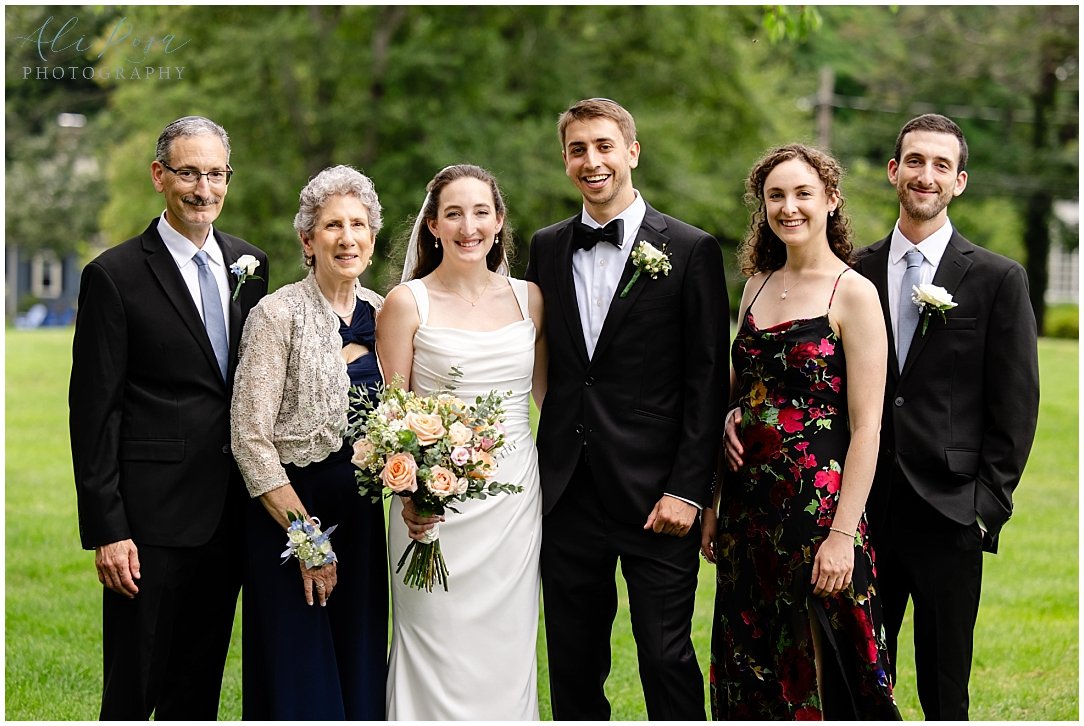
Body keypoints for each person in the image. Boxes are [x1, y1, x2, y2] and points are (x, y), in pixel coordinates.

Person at [524, 97, 729, 720]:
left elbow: (707, 384)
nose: (593, 161)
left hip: (656, 497)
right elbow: (552, 368)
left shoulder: (691, 250)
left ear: (632, 152)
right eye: (578, 149)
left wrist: (690, 492)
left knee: (665, 656)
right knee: (573, 662)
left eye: (604, 146)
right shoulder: (547, 247)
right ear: (566, 161)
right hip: (567, 493)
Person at [69, 116, 268, 719]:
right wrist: (108, 528)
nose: (203, 188)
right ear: (160, 176)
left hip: (231, 516)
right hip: (147, 524)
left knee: (197, 690)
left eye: (215, 174)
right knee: (134, 689)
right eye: (189, 172)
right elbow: (92, 412)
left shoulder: (250, 267)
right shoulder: (114, 275)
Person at [851, 113, 1039, 719]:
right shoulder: (852, 270)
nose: (925, 175)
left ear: (959, 181)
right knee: (856, 680)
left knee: (943, 690)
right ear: (893, 171)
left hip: (950, 511)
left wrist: (986, 505)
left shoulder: (996, 279)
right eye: (914, 161)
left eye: (940, 165)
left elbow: (1016, 403)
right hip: (862, 510)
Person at [710, 143, 899, 719]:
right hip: (749, 515)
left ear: (831, 200)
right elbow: (739, 392)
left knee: (819, 668)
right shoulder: (755, 286)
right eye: (775, 196)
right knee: (752, 665)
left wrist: (843, 535)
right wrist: (725, 434)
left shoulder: (855, 293)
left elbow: (868, 429)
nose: (788, 207)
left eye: (802, 194)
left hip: (817, 514)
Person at [377, 163, 546, 720]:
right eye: (453, 213)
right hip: (433, 506)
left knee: (506, 647)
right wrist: (411, 495)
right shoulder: (407, 303)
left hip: (513, 502)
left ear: (499, 222)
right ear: (433, 226)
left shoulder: (531, 299)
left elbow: (549, 398)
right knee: (434, 641)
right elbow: (392, 414)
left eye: (480, 212)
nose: (467, 226)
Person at [230, 165, 388, 720]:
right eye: (332, 226)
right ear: (307, 240)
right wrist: (309, 543)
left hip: (365, 522)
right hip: (292, 520)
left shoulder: (386, 311)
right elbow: (250, 437)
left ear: (372, 236)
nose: (347, 237)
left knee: (358, 663)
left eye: (358, 224)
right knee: (300, 675)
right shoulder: (276, 314)